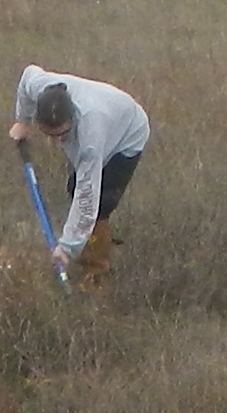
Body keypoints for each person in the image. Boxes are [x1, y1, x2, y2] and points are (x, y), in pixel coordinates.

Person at [9, 63, 151, 286]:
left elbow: (87, 197)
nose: (56, 142)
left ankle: (95, 273)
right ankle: (89, 242)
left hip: (127, 133)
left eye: (62, 134)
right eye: (49, 135)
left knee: (100, 203)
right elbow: (27, 74)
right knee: (73, 187)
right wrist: (22, 121)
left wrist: (67, 248)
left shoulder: (90, 138)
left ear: (72, 119)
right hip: (106, 113)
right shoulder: (40, 86)